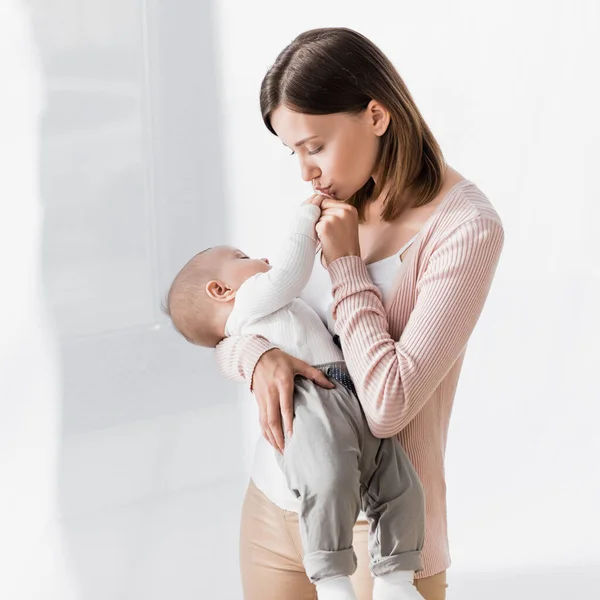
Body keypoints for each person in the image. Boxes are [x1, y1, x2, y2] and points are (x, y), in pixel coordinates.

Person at [215, 27, 504, 600]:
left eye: (314, 146)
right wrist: (257, 357)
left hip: (384, 532)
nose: (305, 172)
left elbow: (389, 404)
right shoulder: (332, 202)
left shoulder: (466, 229)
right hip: (273, 506)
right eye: (292, 151)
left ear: (376, 115)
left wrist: (346, 264)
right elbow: (241, 320)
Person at [164, 194, 426, 600]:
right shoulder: (252, 302)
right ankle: (333, 578)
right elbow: (288, 273)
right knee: (328, 476)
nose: (261, 257)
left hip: (350, 396)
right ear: (220, 289)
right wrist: (304, 218)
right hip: (310, 402)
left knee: (399, 484)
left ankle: (394, 579)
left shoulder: (270, 311)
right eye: (242, 256)